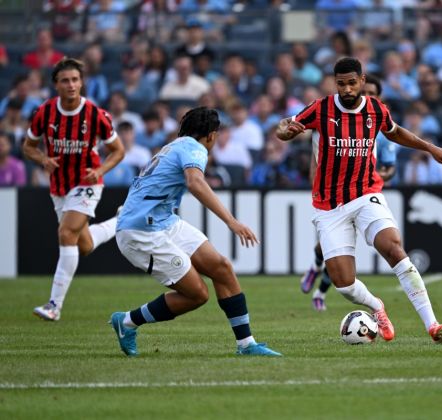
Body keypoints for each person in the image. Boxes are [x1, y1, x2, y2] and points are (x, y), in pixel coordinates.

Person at [277, 58, 442, 343]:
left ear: (362, 81)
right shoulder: (320, 108)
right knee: (343, 284)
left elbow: (396, 132)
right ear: (334, 83)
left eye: (352, 83)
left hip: (366, 194)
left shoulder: (376, 110)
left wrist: (430, 148)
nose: (347, 89)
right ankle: (377, 306)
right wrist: (284, 130)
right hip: (329, 205)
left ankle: (433, 325)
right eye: (341, 84)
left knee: (394, 247)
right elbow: (287, 127)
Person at [110, 107, 281, 357]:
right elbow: (195, 182)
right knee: (197, 294)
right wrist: (232, 222)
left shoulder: (176, 145)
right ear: (211, 135)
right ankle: (127, 322)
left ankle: (247, 345)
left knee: (221, 267)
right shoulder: (194, 148)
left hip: (163, 220)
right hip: (140, 233)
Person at [23, 57, 125, 321]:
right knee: (84, 244)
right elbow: (28, 147)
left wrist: (100, 171)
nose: (71, 85)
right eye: (65, 80)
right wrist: (43, 159)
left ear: (82, 83)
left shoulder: (96, 114)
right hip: (59, 186)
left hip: (87, 182)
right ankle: (120, 220)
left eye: (75, 80)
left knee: (66, 233)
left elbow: (118, 151)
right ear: (55, 85)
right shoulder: (44, 113)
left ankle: (54, 305)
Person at [300, 74, 399, 312]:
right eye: (367, 94)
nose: (368, 98)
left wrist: (382, 175)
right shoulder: (334, 118)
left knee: (345, 254)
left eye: (373, 95)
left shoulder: (382, 129)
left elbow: (391, 167)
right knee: (326, 248)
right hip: (333, 196)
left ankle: (320, 294)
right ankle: (315, 267)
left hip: (365, 193)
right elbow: (318, 157)